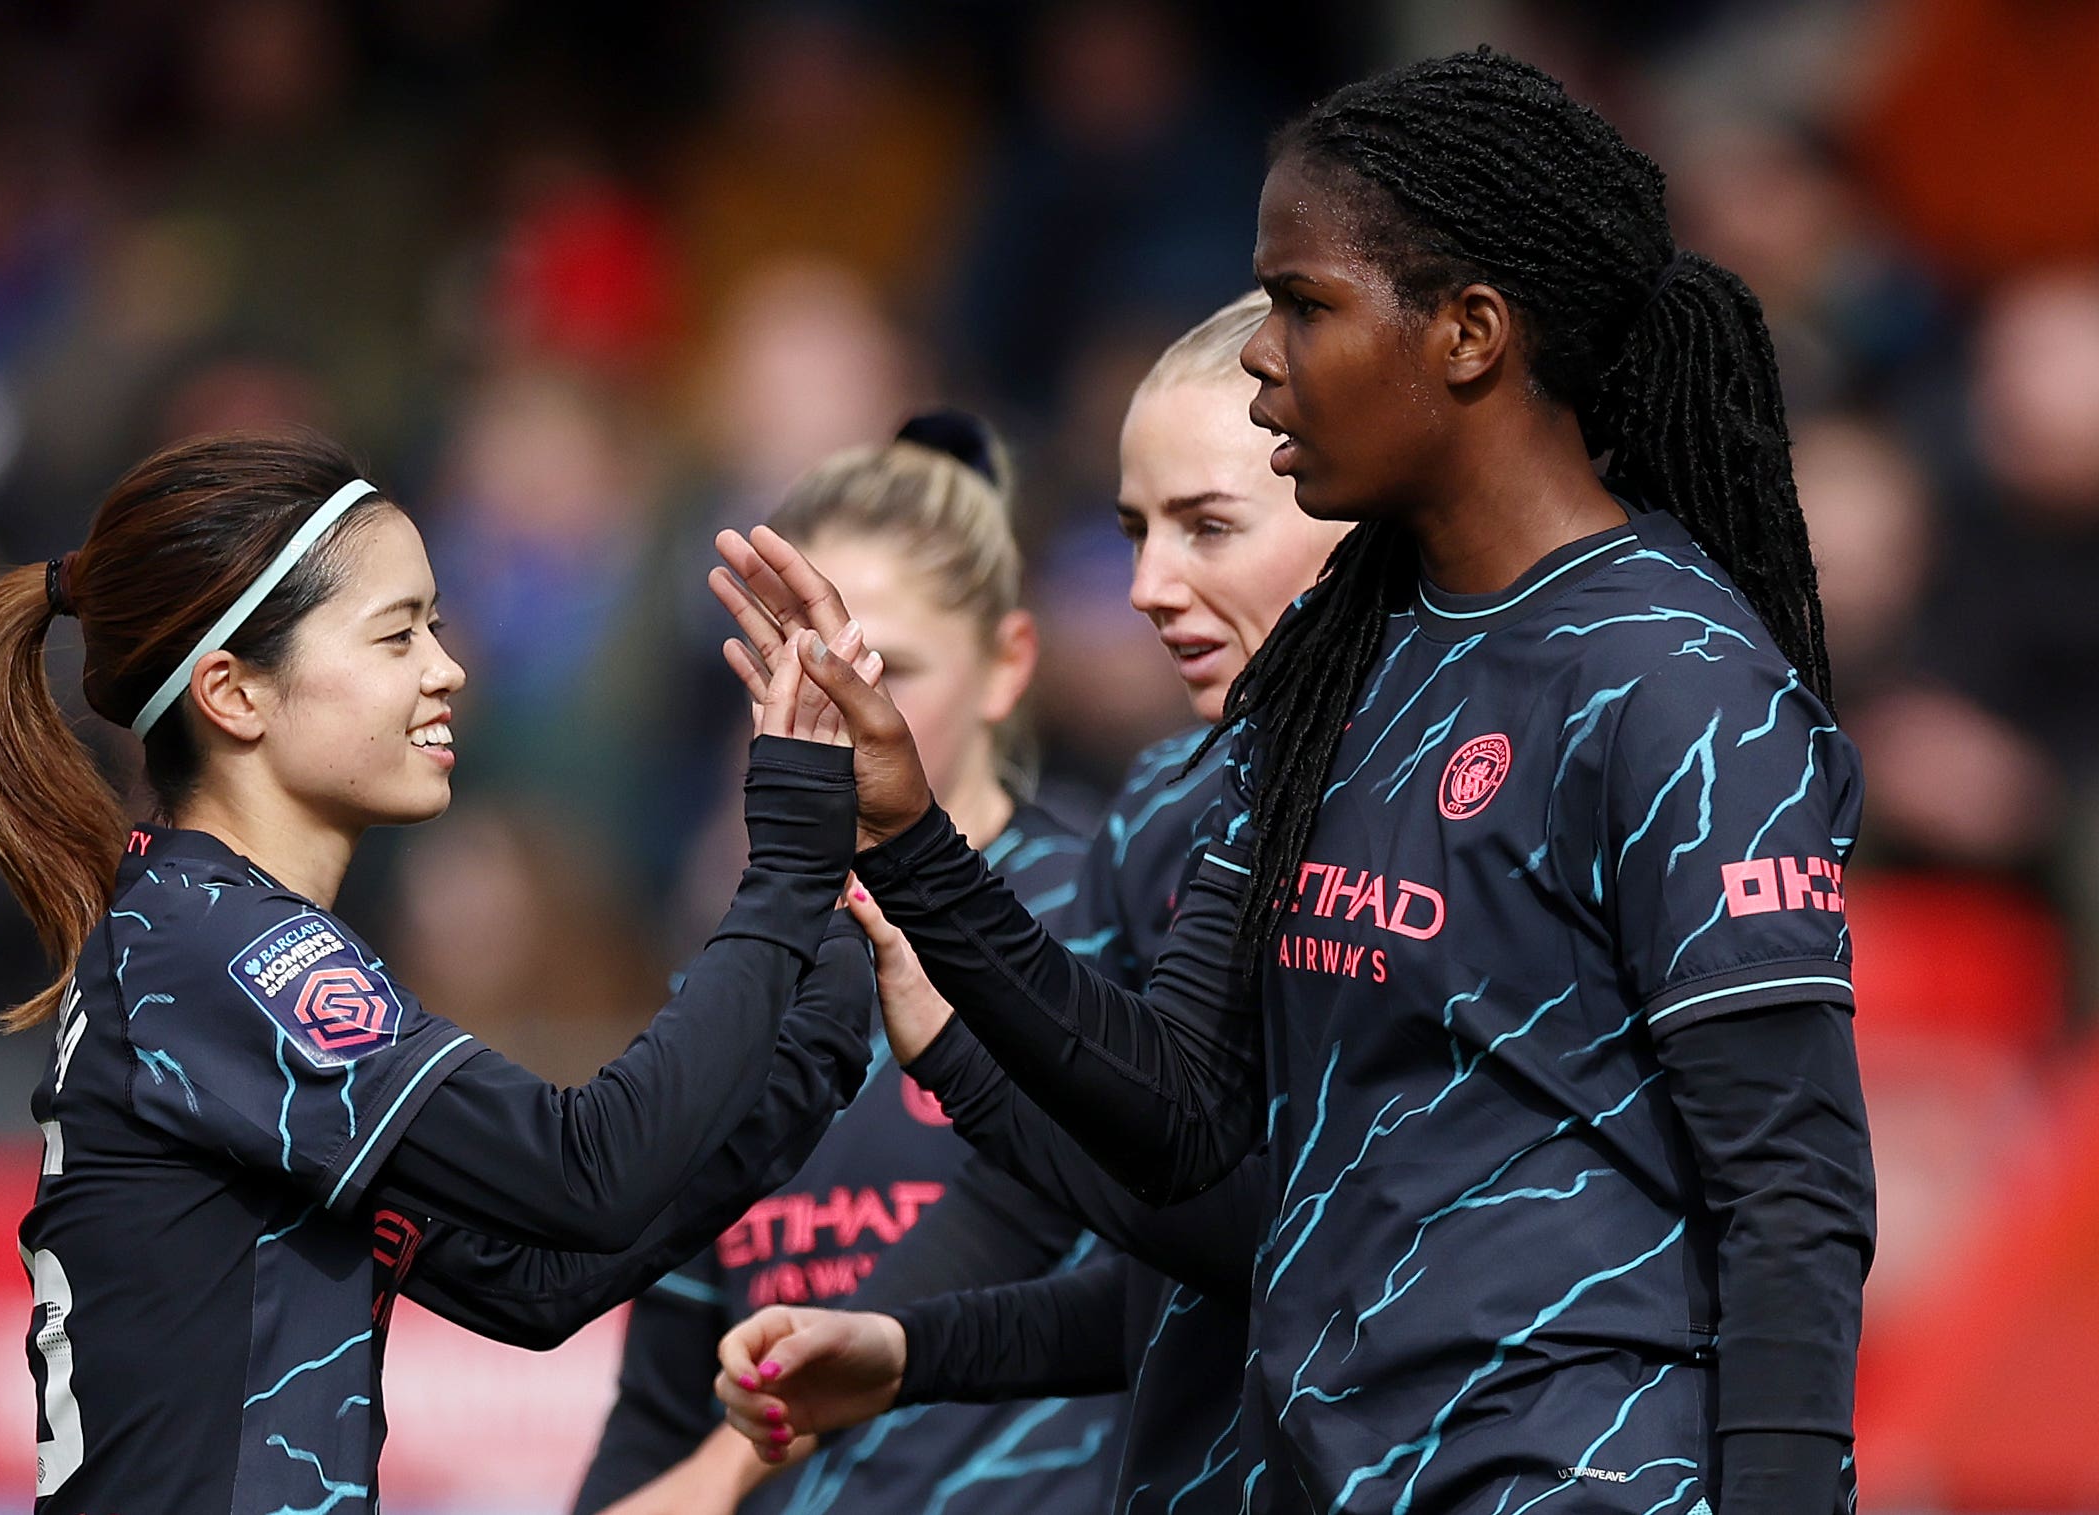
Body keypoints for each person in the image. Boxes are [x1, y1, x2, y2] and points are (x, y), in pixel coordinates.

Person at [711, 51, 1876, 1515]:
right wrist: (919, 845)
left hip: (1577, 1474)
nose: (1261, 354)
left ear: (1468, 333)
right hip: (1322, 1471)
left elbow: (1794, 1186)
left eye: (1303, 304)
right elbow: (1191, 1127)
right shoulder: (1334, 670)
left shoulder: (1677, 675)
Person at [0, 429, 879, 1514]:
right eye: (397, 636)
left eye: (434, 623)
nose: (447, 668)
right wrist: (792, 856)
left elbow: (535, 1280)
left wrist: (823, 1013)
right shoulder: (225, 953)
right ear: (234, 694)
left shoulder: (205, 939)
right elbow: (588, 1171)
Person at [705, 292, 1344, 1515]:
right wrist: (897, 1348)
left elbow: (1247, 1225)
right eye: (1132, 531)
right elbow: (1190, 1255)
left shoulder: (1458, 773)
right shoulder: (1179, 800)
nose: (1148, 583)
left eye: (1208, 525)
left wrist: (948, 1021)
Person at [573, 414, 1120, 1515]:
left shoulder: (1113, 913)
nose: (843, 710)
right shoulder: (739, 971)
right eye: (797, 668)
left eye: (889, 668)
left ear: (1009, 665)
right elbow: (668, 1377)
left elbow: (1177, 1272)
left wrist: (727, 1469)